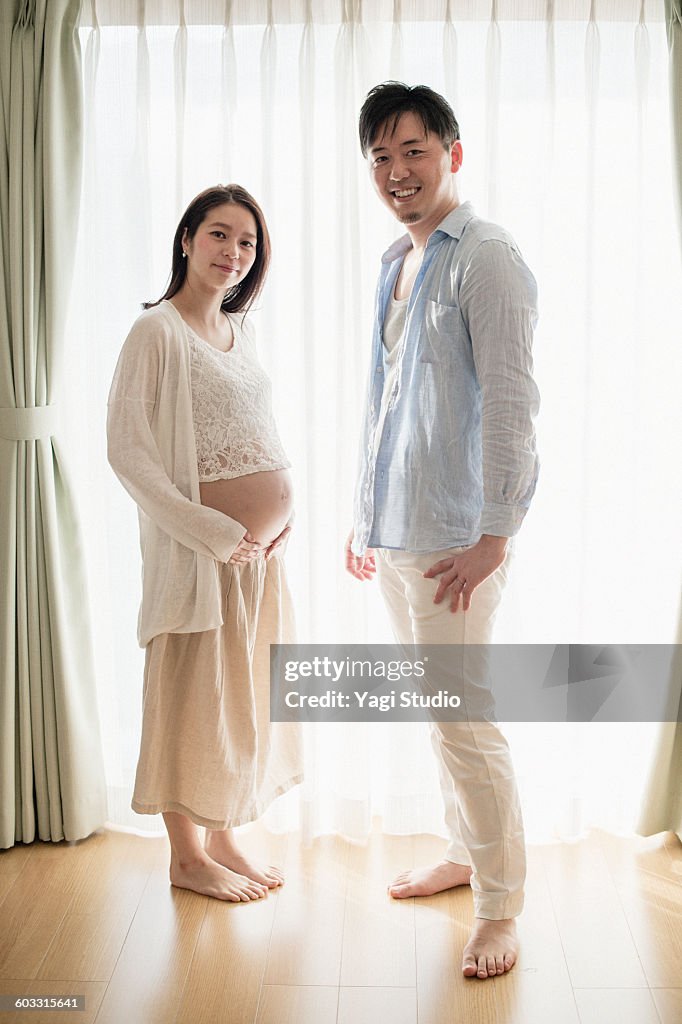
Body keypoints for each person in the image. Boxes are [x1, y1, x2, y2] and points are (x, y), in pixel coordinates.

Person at [345, 83, 540, 979]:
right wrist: (364, 517)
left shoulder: (486, 257)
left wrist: (496, 536)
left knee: (465, 722)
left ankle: (501, 909)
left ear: (453, 154)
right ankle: (466, 858)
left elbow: (510, 405)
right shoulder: (397, 259)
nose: (397, 172)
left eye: (413, 151)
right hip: (401, 532)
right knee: (440, 715)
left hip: (459, 539)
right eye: (381, 157)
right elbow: (388, 406)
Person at [107, 184, 302, 902]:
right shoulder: (156, 331)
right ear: (187, 238)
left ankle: (224, 837)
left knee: (240, 697)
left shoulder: (238, 328)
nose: (233, 252)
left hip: (255, 562)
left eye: (247, 242)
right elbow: (129, 453)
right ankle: (185, 858)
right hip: (200, 556)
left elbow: (256, 431)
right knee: (189, 700)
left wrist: (285, 517)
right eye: (220, 235)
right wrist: (216, 533)